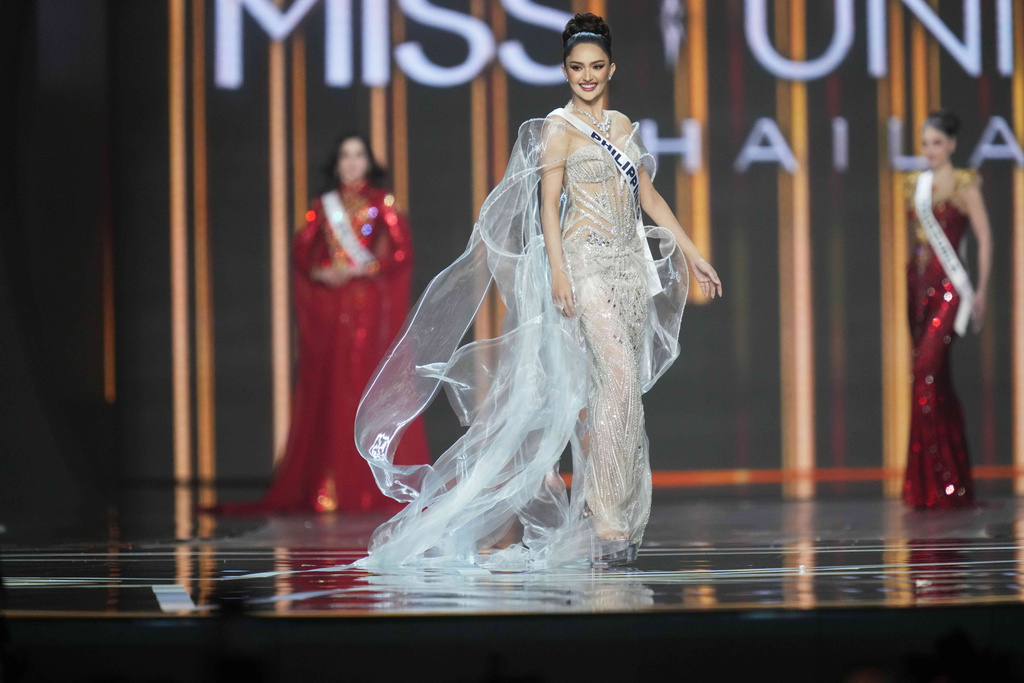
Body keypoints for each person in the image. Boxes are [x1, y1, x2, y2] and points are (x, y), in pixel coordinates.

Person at [352, 13, 721, 569]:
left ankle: (613, 512)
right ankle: (604, 513)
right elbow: (548, 206)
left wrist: (693, 254)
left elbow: (650, 198)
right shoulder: (559, 128)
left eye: (597, 67)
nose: (587, 76)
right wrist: (558, 272)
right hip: (583, 265)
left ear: (611, 68)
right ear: (567, 71)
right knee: (618, 377)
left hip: (627, 269)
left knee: (618, 394)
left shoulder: (623, 126)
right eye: (577, 68)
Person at [217, 134, 430, 514]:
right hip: (333, 312)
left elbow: (400, 252)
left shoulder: (382, 203)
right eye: (345, 155)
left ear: (368, 162)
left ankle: (369, 483)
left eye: (358, 155)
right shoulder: (324, 205)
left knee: (363, 387)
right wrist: (320, 271)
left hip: (366, 310)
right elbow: (302, 250)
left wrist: (367, 267)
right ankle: (327, 483)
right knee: (330, 390)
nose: (351, 162)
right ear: (336, 163)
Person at [903, 110, 992, 509]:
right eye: (925, 143)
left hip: (949, 288)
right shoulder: (917, 185)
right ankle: (934, 485)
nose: (931, 151)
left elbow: (985, 239)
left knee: (926, 372)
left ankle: (944, 483)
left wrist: (982, 291)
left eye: (938, 143)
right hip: (918, 286)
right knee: (929, 380)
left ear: (952, 145)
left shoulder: (963, 184)